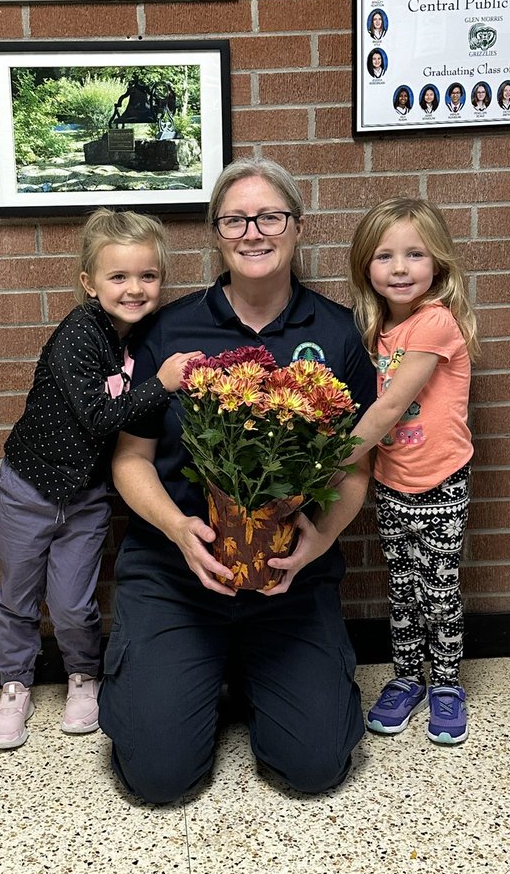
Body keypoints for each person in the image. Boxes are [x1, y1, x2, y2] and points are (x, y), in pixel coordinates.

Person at [99, 157, 377, 803]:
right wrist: (176, 528)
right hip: (178, 573)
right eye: (234, 220)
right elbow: (130, 460)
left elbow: (358, 467)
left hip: (287, 577)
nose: (253, 232)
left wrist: (320, 542)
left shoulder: (335, 335)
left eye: (270, 216)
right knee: (159, 779)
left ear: (298, 228)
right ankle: (196, 666)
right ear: (216, 235)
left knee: (314, 769)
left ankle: (248, 668)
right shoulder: (170, 329)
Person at [0, 210, 199, 751]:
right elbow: (100, 418)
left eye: (147, 276)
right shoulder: (78, 335)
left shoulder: (146, 334)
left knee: (76, 603)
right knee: (18, 594)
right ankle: (15, 683)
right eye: (118, 277)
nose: (134, 289)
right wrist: (164, 383)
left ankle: (84, 676)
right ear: (90, 283)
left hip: (85, 495)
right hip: (30, 485)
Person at [347, 198, 479, 745]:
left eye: (414, 255)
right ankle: (407, 680)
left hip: (442, 480)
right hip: (392, 481)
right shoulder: (379, 330)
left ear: (438, 264)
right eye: (384, 256)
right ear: (366, 267)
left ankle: (446, 686)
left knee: (439, 591)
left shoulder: (435, 323)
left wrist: (325, 465)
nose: (399, 268)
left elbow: (387, 409)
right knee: (401, 589)